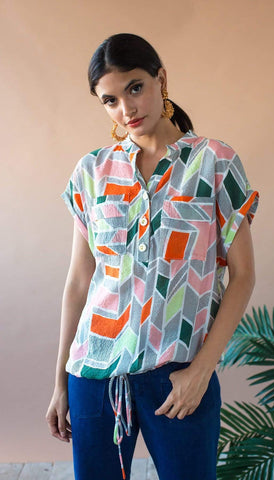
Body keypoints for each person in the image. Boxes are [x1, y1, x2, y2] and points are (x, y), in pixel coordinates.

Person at [46, 33, 259, 480]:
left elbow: (242, 277)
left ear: (161, 79)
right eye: (110, 100)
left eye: (135, 87)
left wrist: (202, 371)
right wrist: (62, 382)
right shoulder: (92, 171)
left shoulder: (214, 163)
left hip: (178, 376)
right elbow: (79, 283)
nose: (126, 110)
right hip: (94, 375)